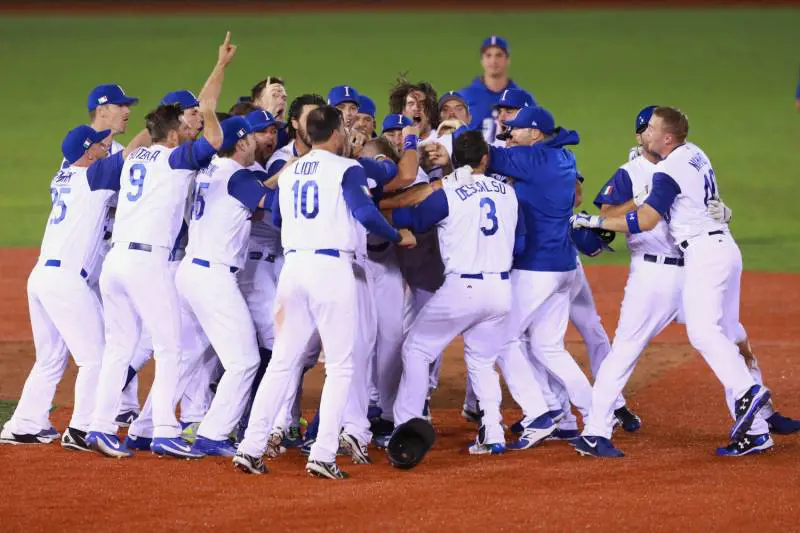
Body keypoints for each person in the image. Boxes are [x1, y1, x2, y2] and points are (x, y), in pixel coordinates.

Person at [571, 106, 772, 457]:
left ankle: (758, 423)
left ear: (665, 136)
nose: (643, 135)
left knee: (723, 337)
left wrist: (722, 209)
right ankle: (596, 429)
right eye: (641, 130)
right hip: (656, 274)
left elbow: (665, 212)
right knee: (627, 349)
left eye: (649, 128)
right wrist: (630, 205)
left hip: (696, 265)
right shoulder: (635, 170)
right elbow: (608, 217)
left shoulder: (678, 163)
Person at [233, 105, 415, 479]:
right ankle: (324, 453)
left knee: (284, 360)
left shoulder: (291, 170)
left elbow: (279, 218)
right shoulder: (346, 168)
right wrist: (398, 235)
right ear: (336, 133)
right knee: (343, 364)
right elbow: (365, 214)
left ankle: (251, 447)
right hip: (331, 270)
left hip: (293, 269)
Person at [85, 32, 233, 459]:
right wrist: (215, 82)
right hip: (148, 264)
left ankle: (98, 425)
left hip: (115, 263)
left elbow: (95, 178)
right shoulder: (174, 157)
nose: (191, 131)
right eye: (184, 128)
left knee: (119, 347)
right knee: (171, 346)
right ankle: (166, 429)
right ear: (172, 135)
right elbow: (214, 138)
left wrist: (216, 69)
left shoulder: (135, 157)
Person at [0, 125, 149, 449]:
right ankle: (82, 428)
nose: (104, 148)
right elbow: (130, 152)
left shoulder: (64, 178)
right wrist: (156, 125)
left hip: (40, 277)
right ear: (87, 151)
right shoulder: (92, 177)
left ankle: (25, 423)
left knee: (50, 357)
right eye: (99, 144)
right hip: (66, 281)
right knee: (96, 357)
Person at [388, 131, 523, 454]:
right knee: (481, 359)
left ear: (454, 158)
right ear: (485, 159)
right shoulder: (508, 192)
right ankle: (492, 432)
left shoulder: (449, 192)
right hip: (501, 289)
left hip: (463, 288)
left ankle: (407, 424)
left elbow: (416, 220)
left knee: (418, 349)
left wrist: (388, 209)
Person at [460, 36, 535, 143]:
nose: (493, 60)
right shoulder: (465, 97)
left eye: (499, 55)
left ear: (507, 60)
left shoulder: (523, 98)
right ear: (482, 60)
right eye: (488, 55)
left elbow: (534, 135)